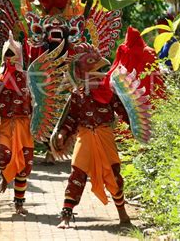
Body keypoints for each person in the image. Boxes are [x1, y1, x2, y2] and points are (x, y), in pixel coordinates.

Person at [52, 43, 133, 229]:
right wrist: (63, 133)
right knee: (77, 174)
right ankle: (66, 215)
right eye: (92, 64)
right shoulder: (76, 95)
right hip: (85, 136)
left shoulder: (110, 92)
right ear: (83, 71)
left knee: (113, 174)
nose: (101, 66)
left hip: (105, 136)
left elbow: (123, 111)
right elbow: (71, 118)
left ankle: (123, 214)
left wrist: (134, 128)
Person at [0, 35, 34, 215]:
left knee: (24, 167)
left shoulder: (28, 78)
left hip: (24, 126)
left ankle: (19, 204)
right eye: (7, 54)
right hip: (5, 124)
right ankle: (5, 175)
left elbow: (36, 105)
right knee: (3, 153)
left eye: (13, 54)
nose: (10, 58)